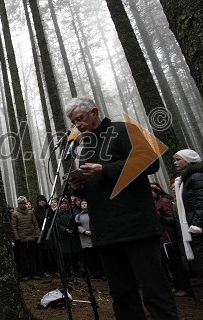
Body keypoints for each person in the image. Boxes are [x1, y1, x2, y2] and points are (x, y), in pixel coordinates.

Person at [66, 97, 178, 319]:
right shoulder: (86, 147)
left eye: (80, 119)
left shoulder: (122, 129)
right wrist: (78, 188)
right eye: (73, 122)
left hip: (137, 226)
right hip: (106, 231)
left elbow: (150, 161)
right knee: (122, 295)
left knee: (155, 290)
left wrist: (105, 169)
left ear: (94, 111)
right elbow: (94, 185)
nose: (77, 126)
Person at [173, 149, 203, 289]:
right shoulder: (187, 178)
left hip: (198, 227)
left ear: (189, 160)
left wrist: (196, 224)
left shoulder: (196, 176)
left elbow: (200, 201)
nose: (175, 163)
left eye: (178, 159)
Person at [11, 196, 39, 280]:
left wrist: (37, 235)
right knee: (23, 257)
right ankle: (25, 274)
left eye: (24, 203)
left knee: (32, 257)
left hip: (31, 237)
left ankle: (34, 273)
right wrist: (17, 238)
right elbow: (14, 227)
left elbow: (35, 224)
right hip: (21, 239)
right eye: (21, 203)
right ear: (18, 204)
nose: (23, 205)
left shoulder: (30, 213)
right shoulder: (15, 214)